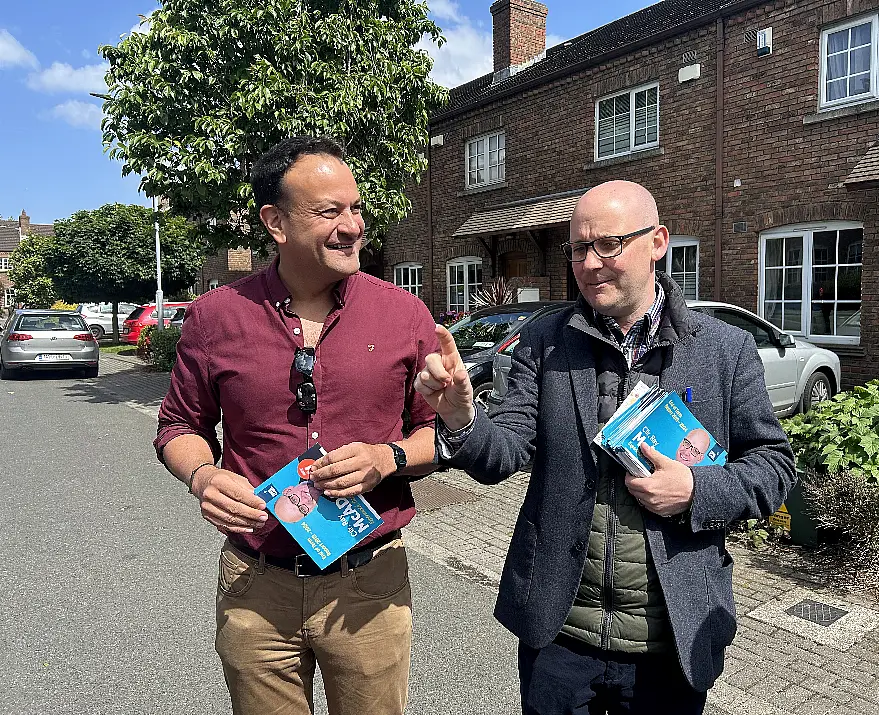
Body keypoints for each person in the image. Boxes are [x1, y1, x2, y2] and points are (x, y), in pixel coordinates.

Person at [415, 180, 795, 714]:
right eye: (577, 248)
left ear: (657, 242)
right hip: (561, 637)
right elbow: (504, 451)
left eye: (608, 245)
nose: (590, 263)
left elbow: (773, 465)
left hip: (670, 641)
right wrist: (461, 416)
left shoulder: (723, 349)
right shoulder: (545, 340)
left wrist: (696, 490)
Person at [155, 135, 440, 715]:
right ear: (275, 222)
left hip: (369, 585)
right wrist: (204, 477)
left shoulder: (403, 313)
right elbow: (177, 426)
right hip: (257, 583)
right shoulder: (215, 318)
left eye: (356, 208)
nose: (353, 225)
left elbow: (437, 433)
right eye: (330, 211)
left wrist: (390, 458)